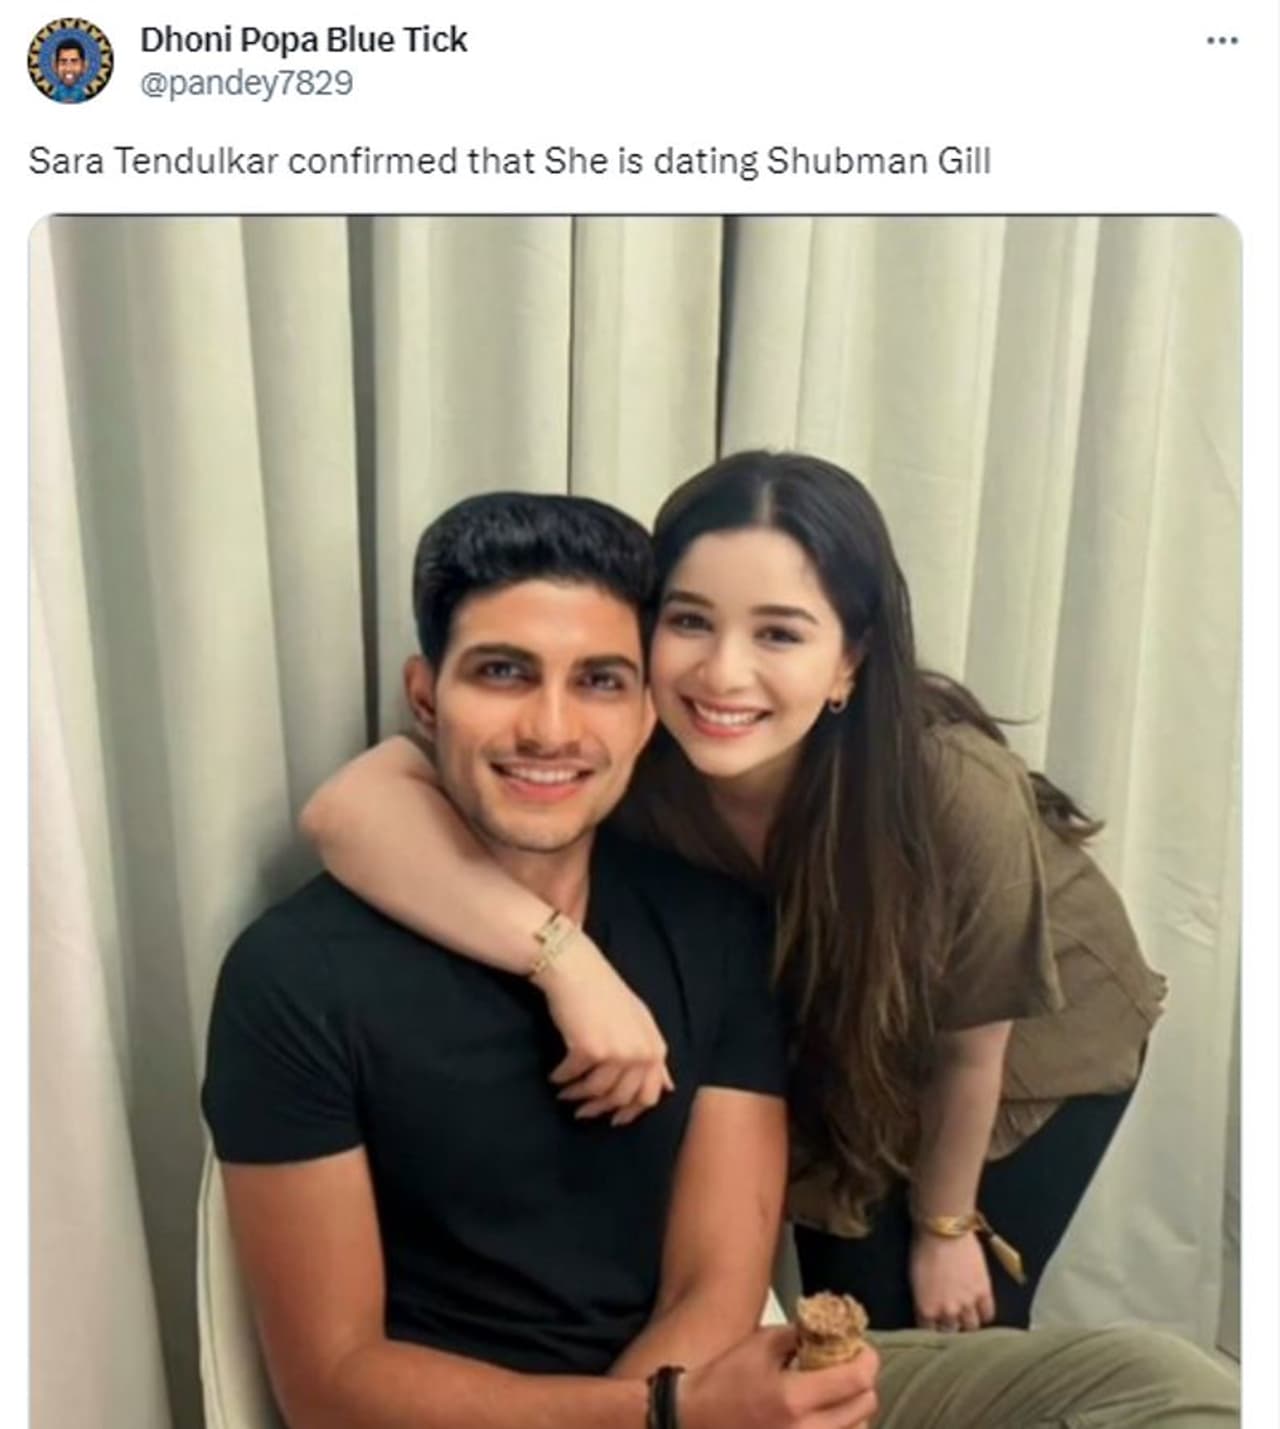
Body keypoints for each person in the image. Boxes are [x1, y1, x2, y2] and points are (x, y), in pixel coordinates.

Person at [207, 489, 1236, 1429]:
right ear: (425, 697)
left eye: (598, 680)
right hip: (597, 1409)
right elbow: (331, 1387)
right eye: (503, 671)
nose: (551, 727)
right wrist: (563, 957)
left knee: (1166, 1384)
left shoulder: (740, 906)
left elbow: (718, 1283)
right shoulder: (296, 979)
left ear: (639, 710)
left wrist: (939, 1224)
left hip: (1006, 1066)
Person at [50, 38, 89, 102]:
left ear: (84, 66)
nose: (68, 69)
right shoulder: (55, 93)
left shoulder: (84, 94)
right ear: (55, 66)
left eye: (74, 62)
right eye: (63, 62)